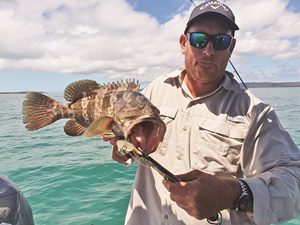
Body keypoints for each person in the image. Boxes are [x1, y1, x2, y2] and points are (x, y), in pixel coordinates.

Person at [104, 1, 300, 224]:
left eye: (220, 41)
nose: (208, 51)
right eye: (199, 40)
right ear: (183, 43)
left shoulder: (256, 113)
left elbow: (295, 182)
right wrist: (124, 147)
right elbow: (128, 143)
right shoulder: (155, 90)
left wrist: (233, 193)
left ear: (231, 48)